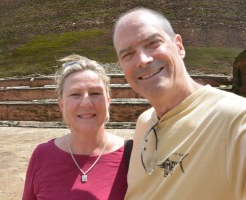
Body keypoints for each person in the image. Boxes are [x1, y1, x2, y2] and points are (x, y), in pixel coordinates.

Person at [113, 7, 246, 200]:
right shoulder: (144, 122)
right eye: (127, 55)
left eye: (153, 43)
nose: (142, 60)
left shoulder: (238, 120)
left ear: (179, 46)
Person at [22, 54, 128, 200]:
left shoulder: (132, 156)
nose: (86, 103)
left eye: (95, 93)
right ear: (61, 104)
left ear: (108, 101)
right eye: (75, 94)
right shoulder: (42, 156)